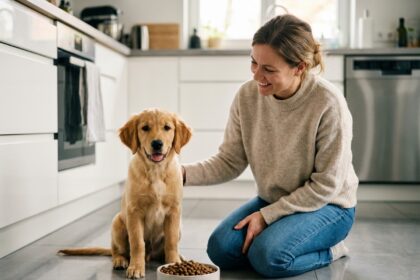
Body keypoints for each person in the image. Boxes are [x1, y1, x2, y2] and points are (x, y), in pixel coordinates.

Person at [182, 14, 358, 278]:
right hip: (275, 199)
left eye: (269, 69)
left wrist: (266, 217)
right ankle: (279, 239)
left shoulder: (328, 104)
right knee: (220, 249)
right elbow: (229, 160)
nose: (257, 75)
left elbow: (326, 186)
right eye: (254, 63)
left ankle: (331, 250)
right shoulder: (247, 96)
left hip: (329, 207)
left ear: (299, 67)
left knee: (268, 257)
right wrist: (180, 173)